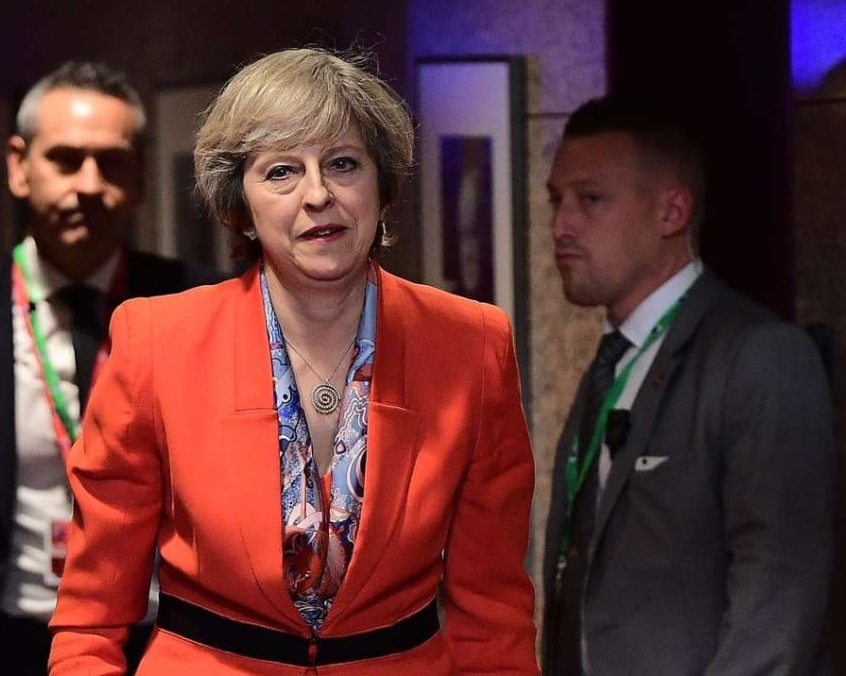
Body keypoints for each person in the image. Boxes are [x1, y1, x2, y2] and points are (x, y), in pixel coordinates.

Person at [48, 47, 539, 674]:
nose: (317, 195)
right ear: (242, 205)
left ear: (381, 186)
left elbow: (493, 614)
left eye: (342, 164)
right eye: (281, 171)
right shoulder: (156, 342)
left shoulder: (471, 345)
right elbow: (91, 617)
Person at [541, 95, 835, 675]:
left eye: (590, 200)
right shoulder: (611, 361)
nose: (560, 226)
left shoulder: (761, 354)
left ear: (671, 212)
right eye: (557, 201)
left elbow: (779, 586)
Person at [0, 60, 219, 675]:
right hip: (13, 639)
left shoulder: (196, 306)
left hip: (165, 641)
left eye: (111, 162)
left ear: (139, 176)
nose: (88, 184)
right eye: (64, 159)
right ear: (17, 165)